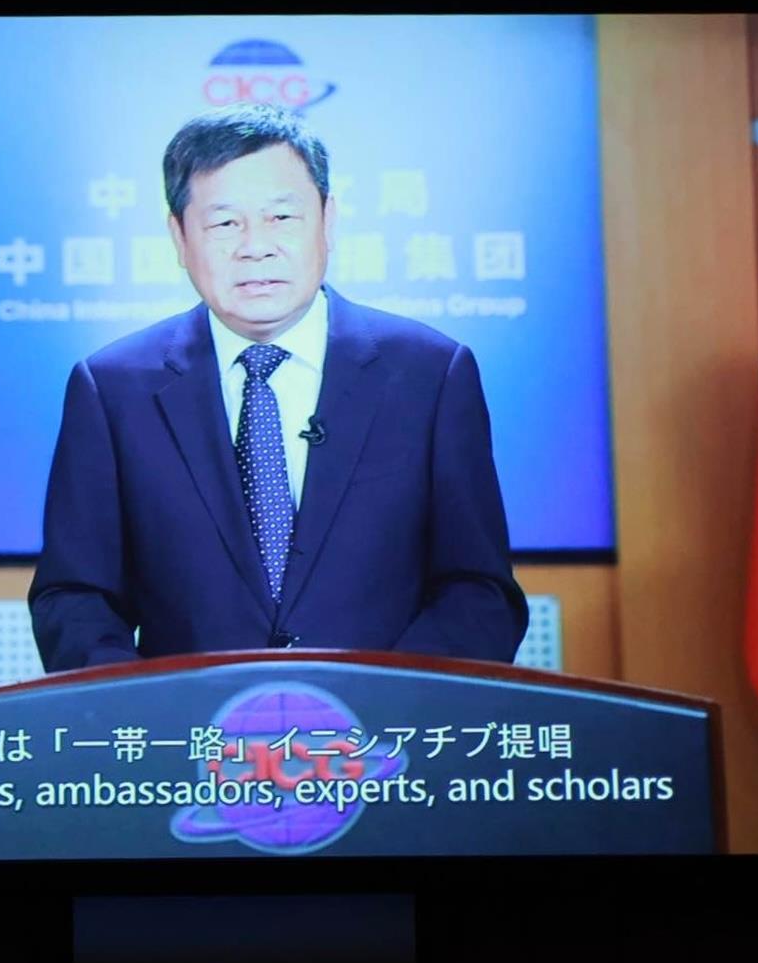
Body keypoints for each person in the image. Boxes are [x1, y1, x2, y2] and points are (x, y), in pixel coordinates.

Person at [29, 103, 528, 672]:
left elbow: (479, 591)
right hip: (188, 724)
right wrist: (152, 709)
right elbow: (75, 598)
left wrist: (385, 702)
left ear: (328, 221)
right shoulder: (113, 389)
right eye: (224, 224)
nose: (255, 246)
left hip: (385, 723)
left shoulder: (430, 375)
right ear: (179, 237)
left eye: (281, 217)